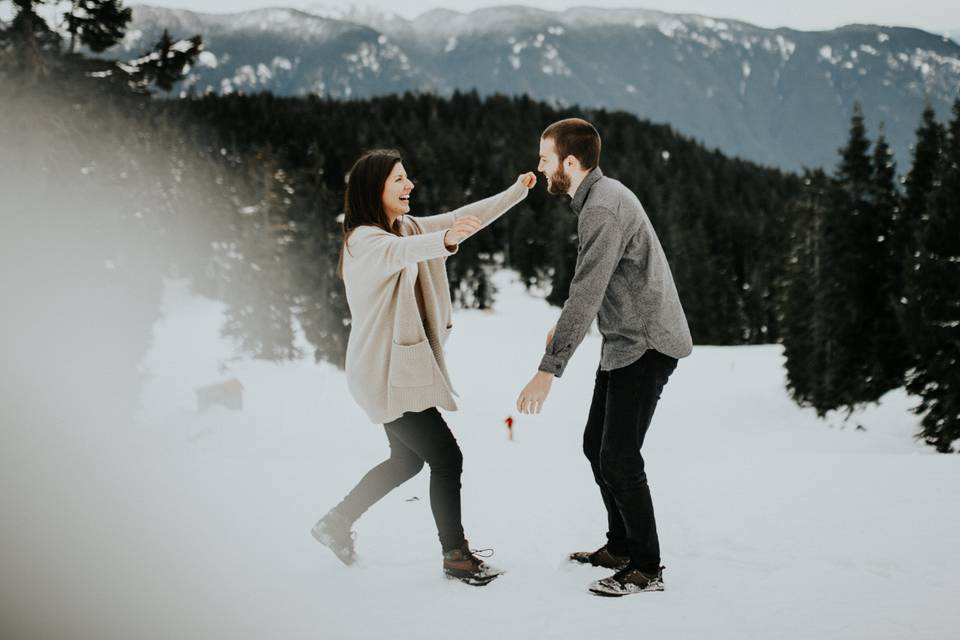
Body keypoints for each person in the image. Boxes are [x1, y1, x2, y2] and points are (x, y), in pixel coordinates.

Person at [312, 148, 536, 586]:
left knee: (407, 462)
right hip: (384, 375)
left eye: (407, 177)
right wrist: (447, 241)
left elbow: (459, 216)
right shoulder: (365, 242)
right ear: (373, 189)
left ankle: (335, 522)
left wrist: (515, 193)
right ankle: (456, 556)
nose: (409, 185)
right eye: (399, 179)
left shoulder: (403, 226)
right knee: (447, 458)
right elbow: (408, 251)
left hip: (397, 370)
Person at [515, 118, 693, 597]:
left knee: (619, 457)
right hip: (623, 339)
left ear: (569, 164)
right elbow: (589, 287)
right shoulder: (597, 197)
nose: (539, 167)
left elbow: (587, 292)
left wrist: (547, 370)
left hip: (647, 342)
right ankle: (619, 547)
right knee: (597, 447)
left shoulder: (602, 209)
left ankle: (647, 567)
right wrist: (566, 322)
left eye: (545, 159)